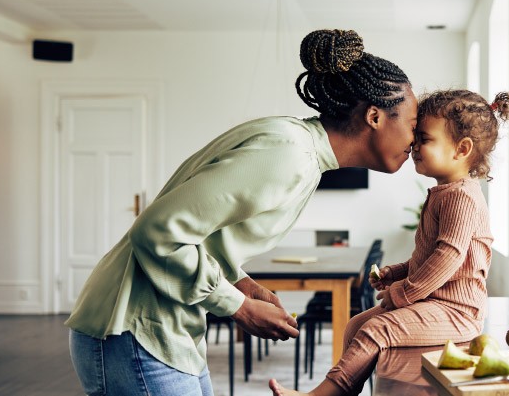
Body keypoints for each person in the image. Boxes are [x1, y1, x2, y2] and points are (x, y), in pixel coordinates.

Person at [65, 29, 419, 396]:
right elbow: (157, 232)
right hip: (134, 330)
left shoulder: (302, 153)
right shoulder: (288, 154)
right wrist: (238, 307)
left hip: (164, 331)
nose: (415, 141)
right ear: (375, 116)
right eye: (412, 126)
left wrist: (241, 284)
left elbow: (201, 235)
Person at [269, 89, 509, 396]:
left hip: (457, 312)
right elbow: (428, 256)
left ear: (462, 149)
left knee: (377, 330)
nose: (413, 145)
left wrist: (404, 293)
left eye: (424, 139)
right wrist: (397, 272)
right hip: (434, 303)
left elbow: (448, 257)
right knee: (356, 325)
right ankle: (344, 391)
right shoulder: (445, 193)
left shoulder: (461, 197)